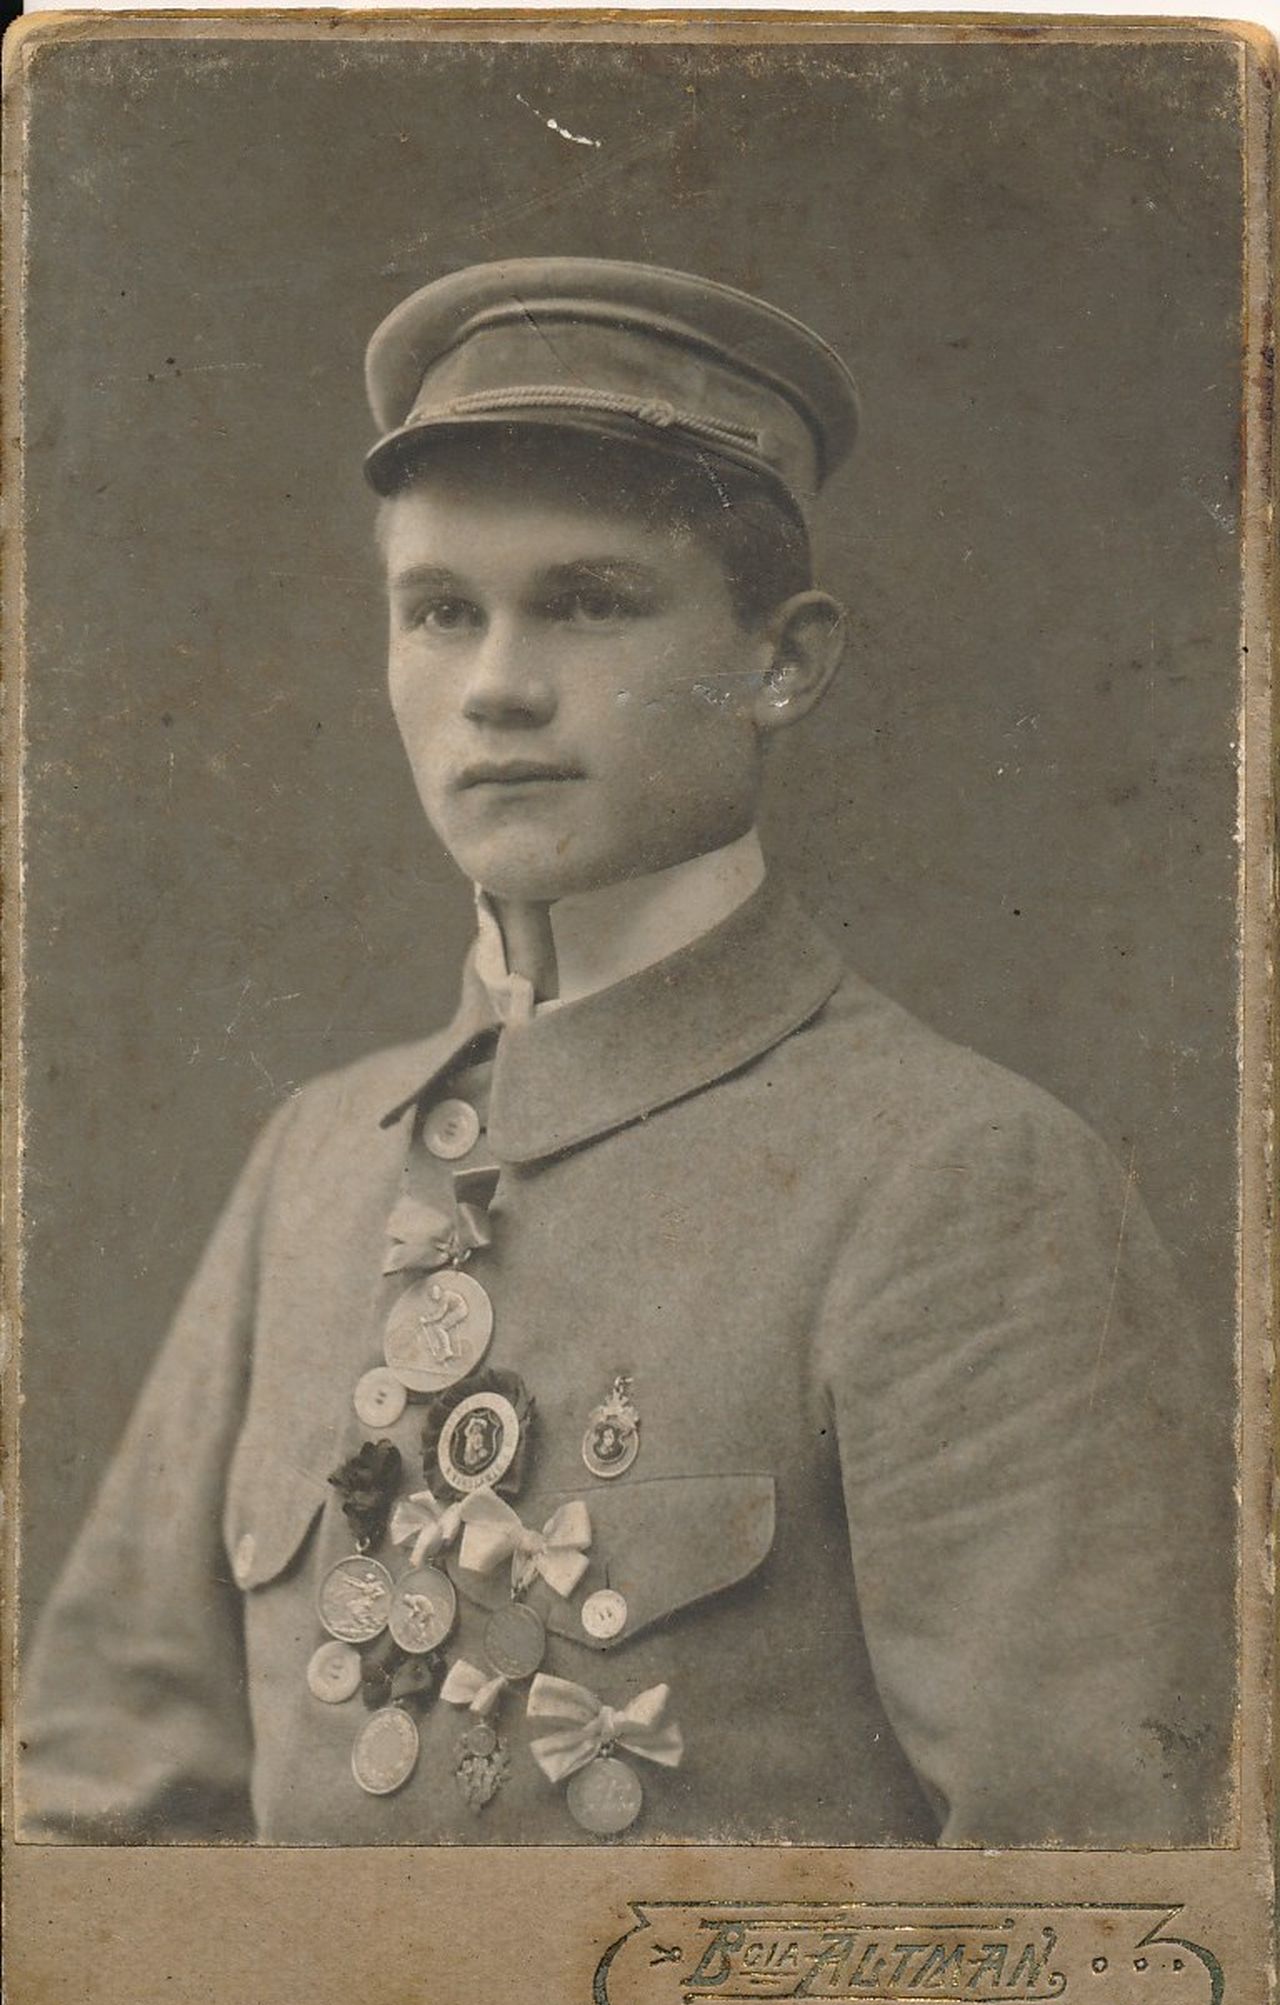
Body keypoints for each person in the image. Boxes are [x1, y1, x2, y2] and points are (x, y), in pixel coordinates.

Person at [20, 256, 1230, 1848]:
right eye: (440, 612)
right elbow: (91, 1813)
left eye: (590, 603)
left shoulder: (963, 1183)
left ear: (782, 662)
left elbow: (1091, 1898)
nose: (498, 689)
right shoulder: (316, 1159)